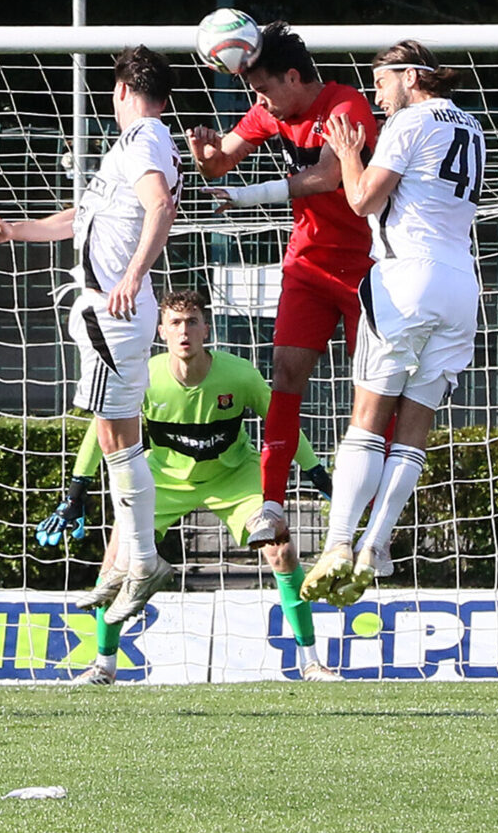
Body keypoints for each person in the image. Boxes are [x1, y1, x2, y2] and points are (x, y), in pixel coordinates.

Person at [0, 47, 182, 624]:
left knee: (118, 439)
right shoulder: (131, 146)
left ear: (121, 90)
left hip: (113, 310)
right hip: (107, 311)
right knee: (114, 439)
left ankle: (142, 561)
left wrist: (132, 275)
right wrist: (9, 230)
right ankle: (133, 561)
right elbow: (77, 218)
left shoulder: (145, 137)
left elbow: (161, 206)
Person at [37, 286, 339, 682]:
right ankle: (104, 666)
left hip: (235, 475)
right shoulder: (144, 376)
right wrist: (76, 493)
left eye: (192, 322)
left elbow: (281, 423)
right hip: (162, 480)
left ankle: (311, 662)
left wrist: (317, 474)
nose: (184, 331)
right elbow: (101, 431)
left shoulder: (239, 374)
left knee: (281, 549)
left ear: (206, 330)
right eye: (175, 323)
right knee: (116, 565)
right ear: (160, 330)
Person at [302, 40, 487, 606]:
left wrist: (346, 151)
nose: (377, 96)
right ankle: (376, 545)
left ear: (410, 76)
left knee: (368, 419)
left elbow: (360, 200)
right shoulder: (473, 126)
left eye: (381, 82)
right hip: (461, 286)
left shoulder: (409, 122)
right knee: (414, 428)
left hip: (407, 279)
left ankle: (338, 543)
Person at [181, 23, 379, 544]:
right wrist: (204, 155)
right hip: (307, 266)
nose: (259, 101)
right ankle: (271, 504)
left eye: (264, 89)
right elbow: (220, 163)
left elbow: (328, 176)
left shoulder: (346, 106)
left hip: (368, 268)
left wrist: (246, 196)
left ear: (293, 77)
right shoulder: (271, 110)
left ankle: (372, 516)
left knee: (371, 390)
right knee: (285, 375)